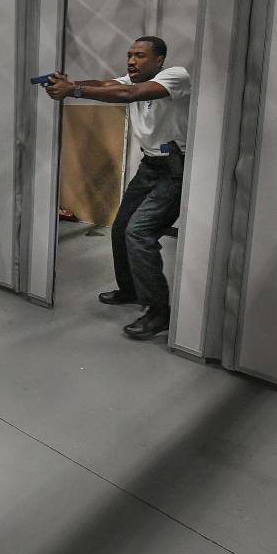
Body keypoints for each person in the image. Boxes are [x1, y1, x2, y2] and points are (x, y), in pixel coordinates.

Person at [44, 35, 190, 340]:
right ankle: (131, 290)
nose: (131, 61)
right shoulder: (129, 79)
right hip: (150, 166)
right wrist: (70, 83)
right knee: (121, 226)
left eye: (139, 56)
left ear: (159, 59)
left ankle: (159, 312)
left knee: (139, 232)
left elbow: (129, 94)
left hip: (174, 170)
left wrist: (74, 90)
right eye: (129, 55)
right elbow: (107, 84)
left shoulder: (175, 76)